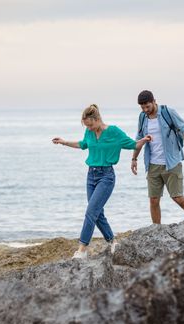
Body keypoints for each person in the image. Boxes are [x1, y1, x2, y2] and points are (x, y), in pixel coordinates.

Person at [53, 104, 151, 259]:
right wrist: (64, 142)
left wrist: (144, 140)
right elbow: (82, 144)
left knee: (91, 212)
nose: (89, 128)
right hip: (90, 176)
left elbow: (133, 144)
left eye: (91, 125)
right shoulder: (89, 132)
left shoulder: (113, 131)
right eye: (87, 126)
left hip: (106, 176)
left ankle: (82, 250)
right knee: (97, 213)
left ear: (97, 119)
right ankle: (113, 242)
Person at [131, 90, 184, 224]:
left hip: (171, 162)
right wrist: (134, 159)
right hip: (153, 164)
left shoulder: (168, 112)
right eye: (142, 107)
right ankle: (157, 228)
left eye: (147, 106)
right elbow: (139, 139)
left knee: (177, 196)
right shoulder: (142, 117)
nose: (145, 110)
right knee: (153, 199)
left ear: (154, 101)